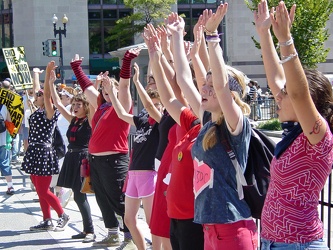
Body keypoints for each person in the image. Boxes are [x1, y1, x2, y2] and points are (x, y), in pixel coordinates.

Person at [164, 7, 257, 249]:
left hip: (233, 228)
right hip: (209, 228)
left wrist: (212, 37)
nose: (203, 89)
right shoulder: (207, 122)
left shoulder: (235, 125)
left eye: (209, 85)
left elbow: (223, 86)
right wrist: (176, 37)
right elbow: (184, 80)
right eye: (204, 84)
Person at [254, 1, 333, 249]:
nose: (278, 95)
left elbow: (298, 94)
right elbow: (277, 79)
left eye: (284, 93)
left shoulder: (318, 138)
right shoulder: (295, 132)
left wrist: (286, 40)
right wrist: (264, 34)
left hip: (298, 244)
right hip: (273, 242)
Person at [145, 22, 205, 250]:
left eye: (209, 89)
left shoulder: (216, 127)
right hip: (177, 213)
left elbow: (183, 81)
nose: (204, 92)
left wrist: (178, 40)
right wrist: (154, 55)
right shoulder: (193, 122)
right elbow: (170, 97)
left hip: (197, 217)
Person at [70, 51, 137, 249]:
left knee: (119, 198)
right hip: (96, 161)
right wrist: (76, 67)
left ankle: (130, 236)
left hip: (115, 160)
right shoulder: (100, 105)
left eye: (111, 89)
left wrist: (126, 61)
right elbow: (87, 88)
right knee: (102, 198)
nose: (107, 92)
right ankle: (112, 233)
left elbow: (124, 84)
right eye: (105, 90)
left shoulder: (122, 105)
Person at [104, 62, 163, 250]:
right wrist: (111, 91)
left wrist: (136, 81)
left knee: (152, 221)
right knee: (129, 219)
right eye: (152, 105)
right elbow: (121, 114)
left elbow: (148, 104)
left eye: (157, 105)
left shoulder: (162, 122)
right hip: (134, 174)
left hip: (149, 174)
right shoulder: (144, 120)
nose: (153, 108)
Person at [46, 68, 95, 242]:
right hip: (71, 157)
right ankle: (86, 229)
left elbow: (93, 101)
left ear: (85, 106)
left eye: (78, 105)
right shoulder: (74, 119)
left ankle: (90, 231)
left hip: (83, 158)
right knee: (77, 195)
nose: (74, 107)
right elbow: (58, 104)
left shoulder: (90, 120)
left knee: (81, 196)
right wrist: (50, 84)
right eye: (73, 104)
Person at [21, 61, 70, 232]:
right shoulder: (37, 109)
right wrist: (36, 74)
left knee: (43, 190)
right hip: (35, 151)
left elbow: (46, 93)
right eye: (37, 95)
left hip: (43, 152)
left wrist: (49, 75)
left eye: (41, 95)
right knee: (39, 188)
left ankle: (62, 215)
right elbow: (37, 91)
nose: (38, 95)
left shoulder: (50, 111)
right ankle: (46, 219)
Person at [50, 86, 76, 208]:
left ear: (69, 98)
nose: (61, 98)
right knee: (57, 172)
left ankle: (63, 192)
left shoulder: (71, 109)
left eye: (63, 97)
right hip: (59, 143)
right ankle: (60, 194)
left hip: (65, 144)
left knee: (58, 171)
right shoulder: (64, 109)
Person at [0, 101, 14, 195]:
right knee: (5, 162)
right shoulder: (4, 107)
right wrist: (10, 138)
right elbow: (10, 124)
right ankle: (10, 186)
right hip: (3, 140)